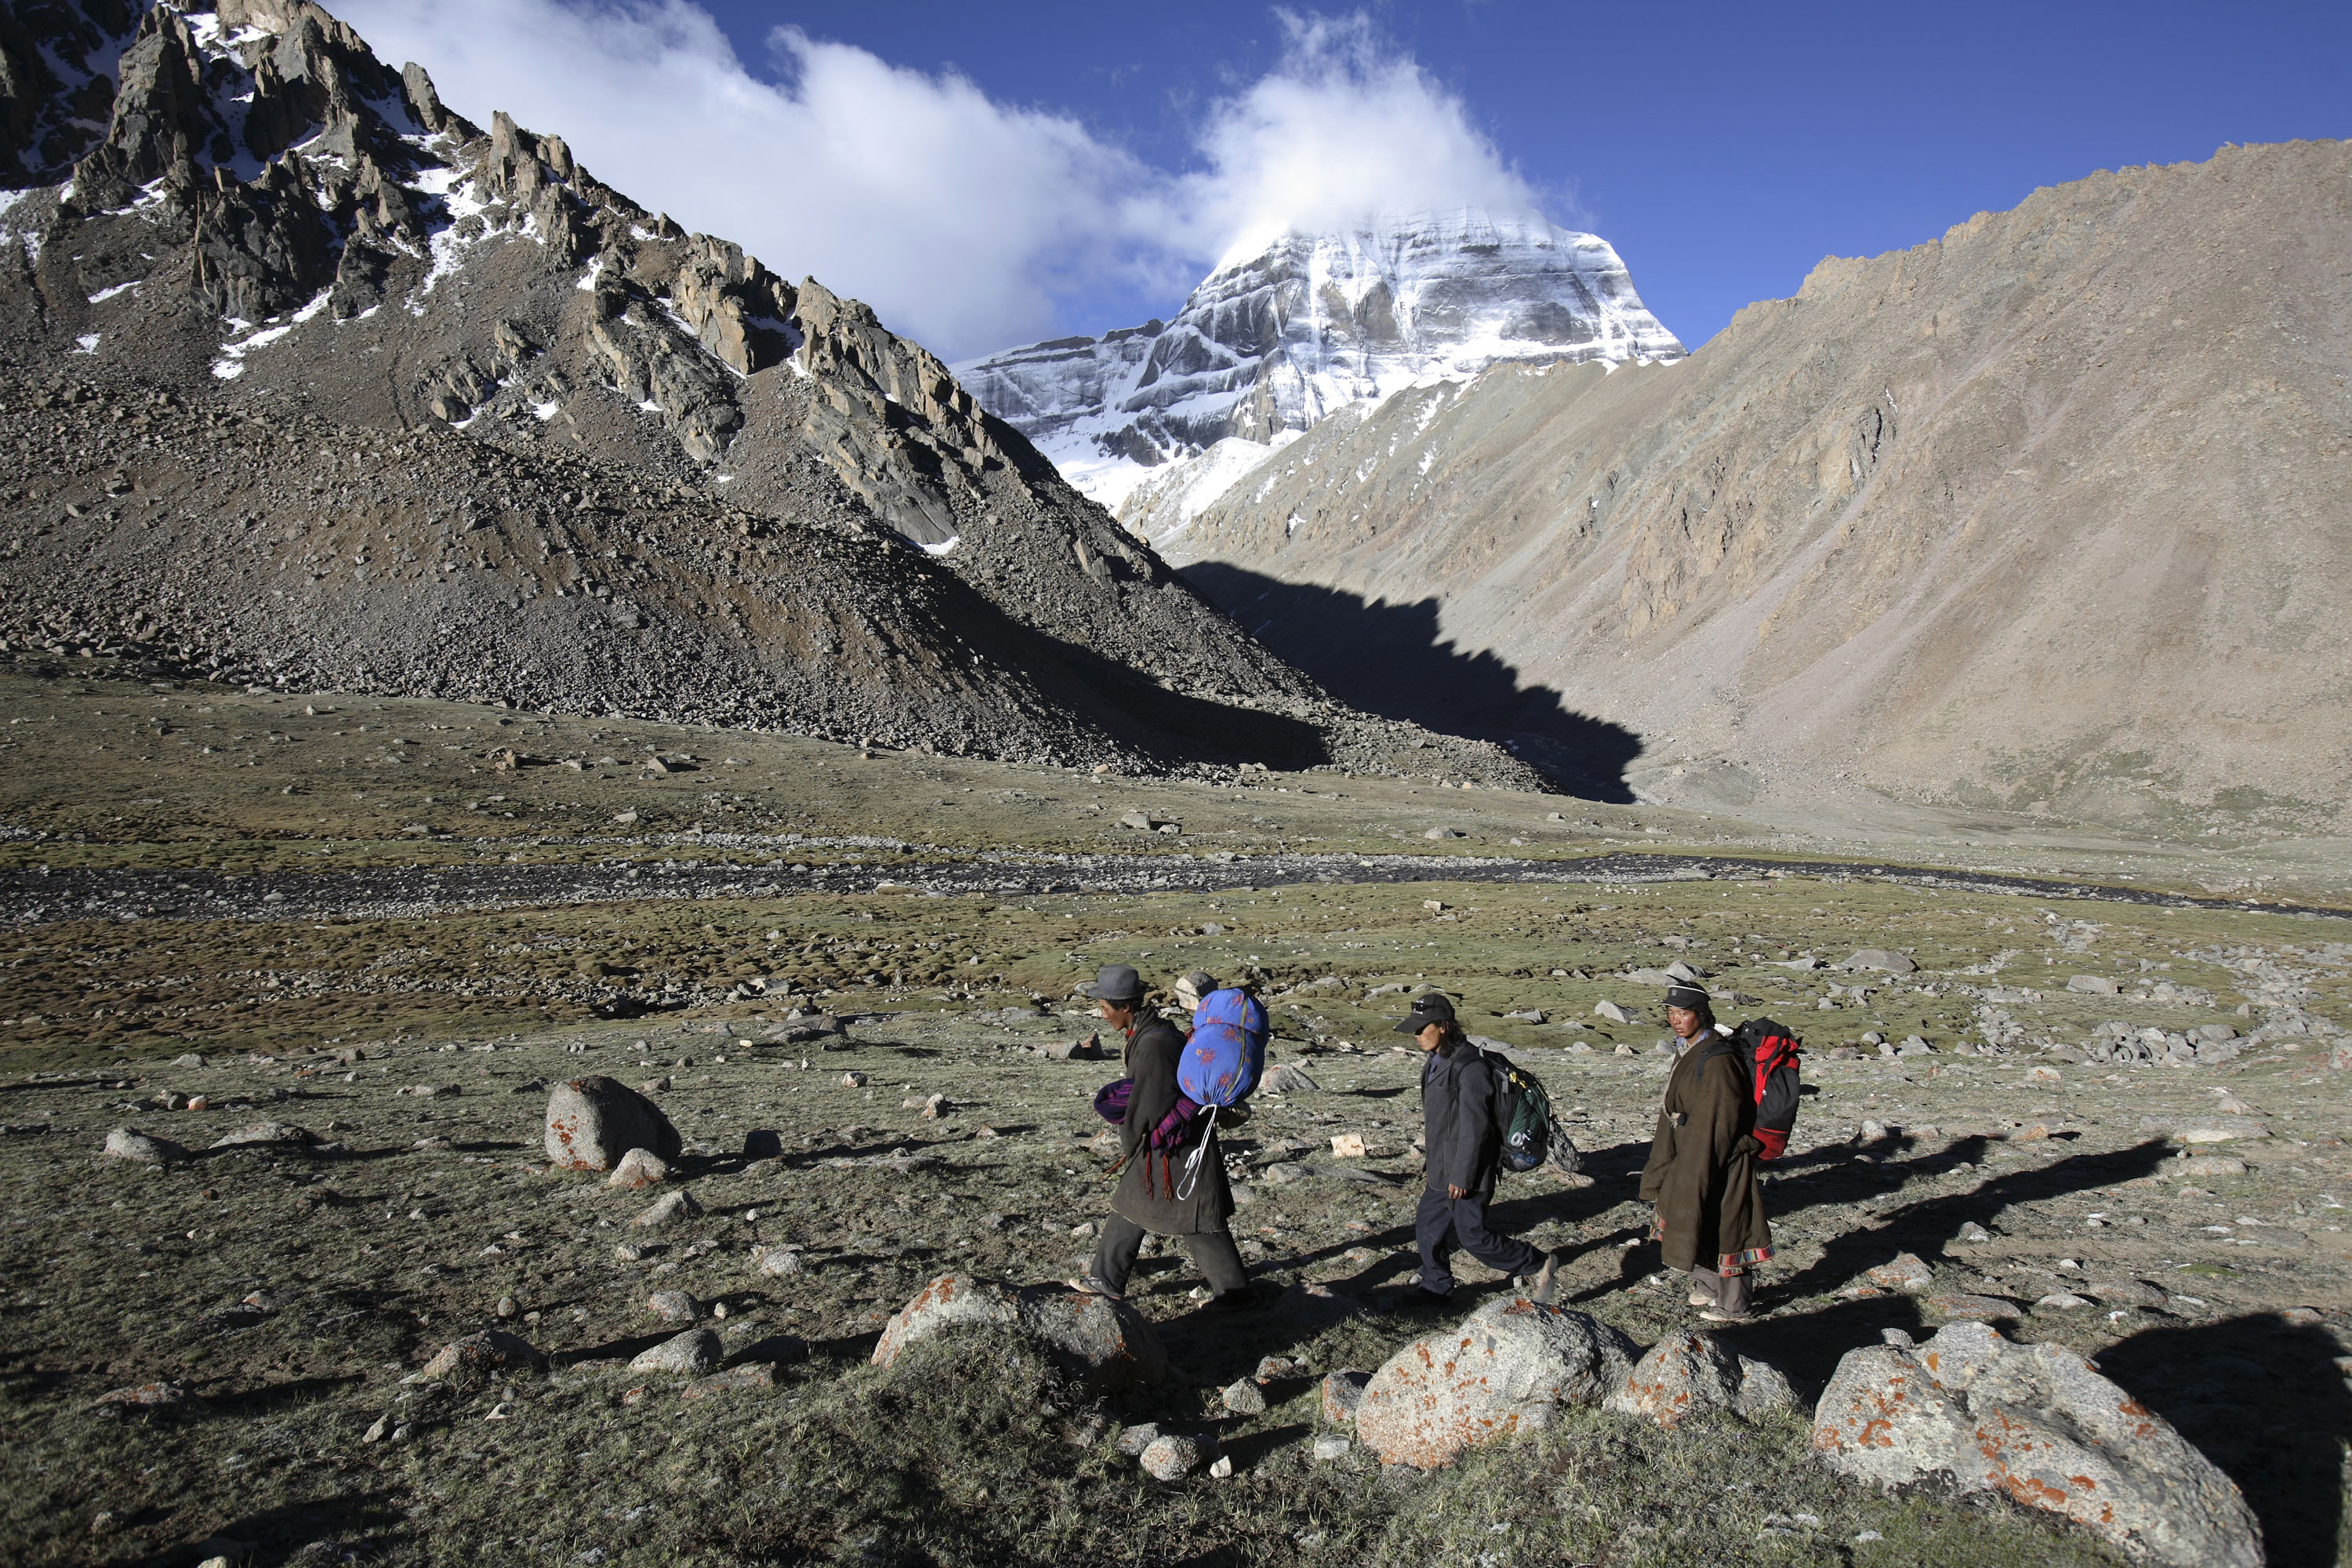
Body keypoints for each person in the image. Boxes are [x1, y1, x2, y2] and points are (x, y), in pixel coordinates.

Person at [1069, 964, 1257, 1309]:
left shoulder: (1153, 1045)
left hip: (1177, 1146)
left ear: (1125, 1006)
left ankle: (1236, 1296)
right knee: (1137, 1204)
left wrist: (1134, 1141)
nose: (1103, 1013)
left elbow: (1150, 1103)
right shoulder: (1150, 1033)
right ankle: (1105, 1279)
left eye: (1105, 1006)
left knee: (1198, 1220)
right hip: (1174, 1140)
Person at [1396, 992, 1559, 1308]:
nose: (1416, 1036)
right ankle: (1436, 1286)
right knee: (1428, 1227)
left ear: (1443, 1026)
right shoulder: (1435, 1063)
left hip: (1468, 1171)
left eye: (1421, 1028)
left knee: (1474, 1237)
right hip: (1442, 1168)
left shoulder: (1470, 1068)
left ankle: (1538, 1263)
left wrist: (1463, 1174)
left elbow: (1475, 1127)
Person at [1639, 984, 1773, 1321]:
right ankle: (1709, 1284)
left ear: (1701, 1014)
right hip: (1693, 1150)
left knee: (1730, 1227)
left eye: (1683, 1013)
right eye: (1670, 1013)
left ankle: (1735, 1304)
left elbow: (1718, 1122)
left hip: (1720, 1156)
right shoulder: (1690, 1049)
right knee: (1697, 1216)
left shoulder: (1717, 1061)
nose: (1675, 1020)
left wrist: (1695, 1169)